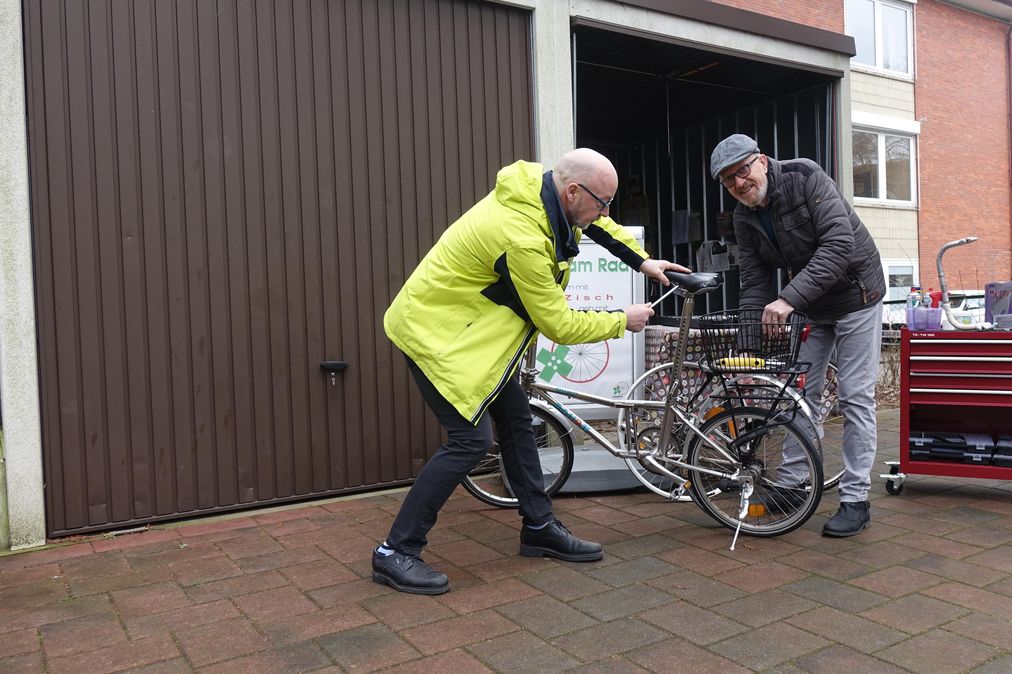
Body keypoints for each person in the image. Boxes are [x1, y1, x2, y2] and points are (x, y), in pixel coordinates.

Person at [374, 148, 689, 595]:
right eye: (602, 201)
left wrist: (642, 260)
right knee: (470, 442)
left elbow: (600, 224)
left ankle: (539, 527)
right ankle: (395, 551)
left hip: (474, 340)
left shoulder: (551, 197)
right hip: (435, 337)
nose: (604, 212)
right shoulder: (520, 234)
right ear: (574, 191)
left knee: (518, 423)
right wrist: (623, 319)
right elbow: (557, 324)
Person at [710, 133, 885, 537]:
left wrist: (788, 299)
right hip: (811, 304)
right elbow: (753, 283)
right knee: (798, 393)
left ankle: (856, 499)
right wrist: (746, 353)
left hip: (857, 294)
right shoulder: (744, 217)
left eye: (742, 171)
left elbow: (839, 244)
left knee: (855, 396)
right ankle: (792, 485)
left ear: (763, 162)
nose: (739, 183)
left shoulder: (806, 177)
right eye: (727, 180)